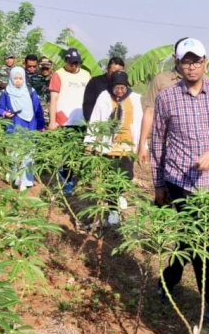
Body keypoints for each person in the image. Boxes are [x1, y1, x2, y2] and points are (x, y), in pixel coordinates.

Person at [151, 37, 209, 323]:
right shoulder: (167, 97)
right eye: (186, 61)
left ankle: (167, 280)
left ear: (205, 62)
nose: (192, 66)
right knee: (198, 237)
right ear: (177, 64)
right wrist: (158, 183)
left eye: (197, 61)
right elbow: (158, 142)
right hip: (179, 180)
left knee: (190, 237)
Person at [84, 70, 142, 225]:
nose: (120, 91)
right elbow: (95, 119)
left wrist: (144, 146)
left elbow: (140, 122)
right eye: (117, 87)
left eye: (123, 87)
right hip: (108, 146)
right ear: (111, 86)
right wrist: (90, 142)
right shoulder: (104, 96)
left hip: (127, 145)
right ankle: (113, 210)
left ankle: (119, 194)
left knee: (127, 175)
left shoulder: (135, 99)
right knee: (110, 179)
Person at [48, 47, 91, 193]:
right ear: (65, 61)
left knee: (79, 153)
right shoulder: (58, 75)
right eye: (71, 62)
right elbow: (53, 99)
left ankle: (75, 180)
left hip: (82, 120)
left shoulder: (86, 75)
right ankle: (66, 182)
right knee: (66, 154)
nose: (74, 66)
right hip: (64, 121)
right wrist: (52, 121)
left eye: (76, 63)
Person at [0, 67, 45, 190]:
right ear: (11, 79)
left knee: (29, 152)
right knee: (15, 152)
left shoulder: (30, 91)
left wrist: (41, 125)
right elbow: (0, 108)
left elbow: (38, 109)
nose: (18, 81)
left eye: (20, 78)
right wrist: (5, 114)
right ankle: (16, 179)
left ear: (24, 79)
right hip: (14, 125)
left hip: (30, 125)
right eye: (15, 78)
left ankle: (27, 180)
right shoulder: (6, 92)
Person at [138, 44, 182, 165]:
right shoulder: (161, 80)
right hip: (164, 143)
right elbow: (150, 112)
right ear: (175, 57)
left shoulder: (205, 82)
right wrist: (142, 144)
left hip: (194, 146)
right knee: (164, 182)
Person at [83, 56, 125, 122]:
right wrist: (91, 125)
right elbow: (88, 105)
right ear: (107, 69)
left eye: (119, 72)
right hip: (99, 123)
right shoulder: (95, 82)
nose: (116, 75)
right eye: (113, 72)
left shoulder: (124, 85)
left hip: (117, 124)